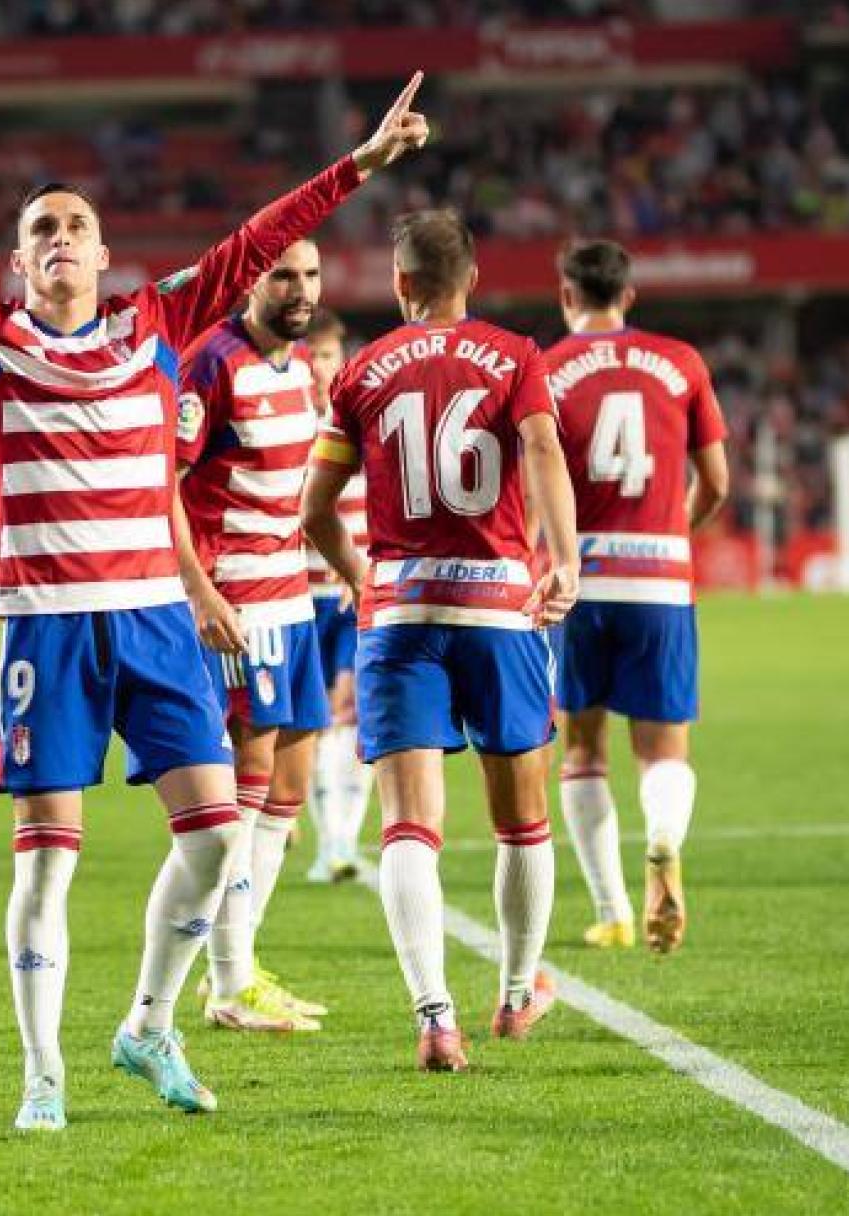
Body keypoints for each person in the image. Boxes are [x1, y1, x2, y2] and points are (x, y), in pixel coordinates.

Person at [0, 73, 428, 1128]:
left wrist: (361, 166)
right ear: (19, 262)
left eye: (76, 225)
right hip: (47, 634)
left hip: (154, 621)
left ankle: (148, 1023)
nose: (60, 237)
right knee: (49, 865)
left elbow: (256, 237)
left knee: (214, 838)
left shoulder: (155, 324)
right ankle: (41, 1075)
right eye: (40, 228)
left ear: (105, 256)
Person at [302, 210, 580, 1073]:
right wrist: (562, 559)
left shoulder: (361, 370)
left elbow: (314, 512)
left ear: (400, 285)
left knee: (408, 827)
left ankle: (433, 1018)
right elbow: (541, 448)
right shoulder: (517, 357)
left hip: (398, 615)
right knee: (521, 821)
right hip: (498, 611)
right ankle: (515, 992)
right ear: (474, 279)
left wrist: (356, 575)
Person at [540, 238, 729, 955]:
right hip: (661, 578)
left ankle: (613, 909)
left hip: (580, 577)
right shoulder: (681, 362)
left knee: (583, 748)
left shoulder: (550, 369)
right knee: (663, 749)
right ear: (631, 296)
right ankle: (661, 842)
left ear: (566, 295)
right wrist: (674, 530)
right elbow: (717, 482)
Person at [175, 240, 333, 1033]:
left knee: (292, 786)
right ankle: (230, 979)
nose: (300, 289)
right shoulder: (211, 362)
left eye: (310, 274)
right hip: (239, 599)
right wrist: (200, 591)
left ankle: (237, 970)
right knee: (249, 776)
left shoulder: (302, 367)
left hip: (294, 598)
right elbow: (162, 482)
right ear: (250, 282)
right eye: (284, 275)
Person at [299, 308, 373, 884]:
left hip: (350, 593)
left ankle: (341, 843)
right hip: (297, 596)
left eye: (327, 356)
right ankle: (327, 838)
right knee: (312, 723)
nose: (319, 367)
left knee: (350, 710)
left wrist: (362, 569)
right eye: (310, 356)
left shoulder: (361, 417)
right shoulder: (283, 421)